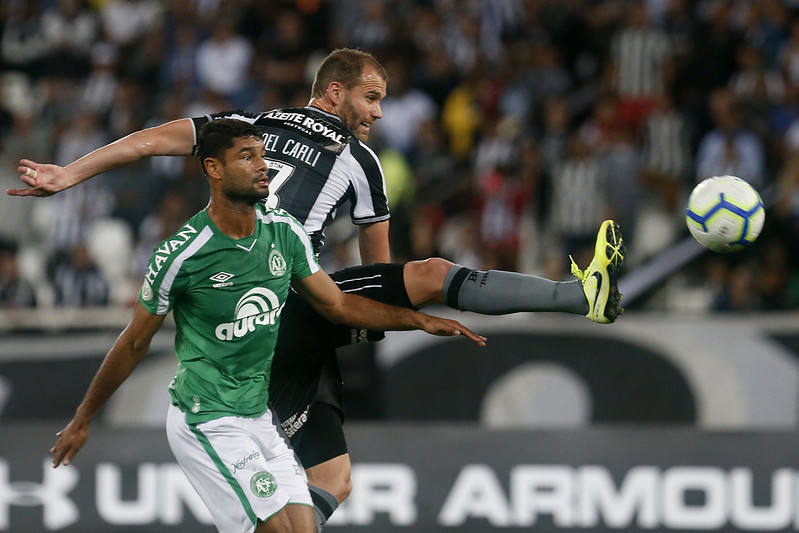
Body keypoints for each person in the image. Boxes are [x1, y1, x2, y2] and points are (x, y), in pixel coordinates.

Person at [11, 48, 625, 531]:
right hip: (291, 298)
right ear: (335, 92)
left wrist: (72, 172)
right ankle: (579, 296)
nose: (378, 112)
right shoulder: (358, 158)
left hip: (268, 313)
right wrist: (391, 317)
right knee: (432, 275)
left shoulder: (248, 125)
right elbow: (383, 278)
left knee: (332, 476)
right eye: (371, 97)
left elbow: (153, 139)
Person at [49, 119, 485, 533]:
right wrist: (84, 419)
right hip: (207, 419)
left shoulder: (284, 233)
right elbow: (132, 345)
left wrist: (418, 320)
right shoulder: (181, 255)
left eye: (262, 154)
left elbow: (337, 305)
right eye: (247, 157)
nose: (264, 166)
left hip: (258, 417)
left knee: (302, 526)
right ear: (213, 169)